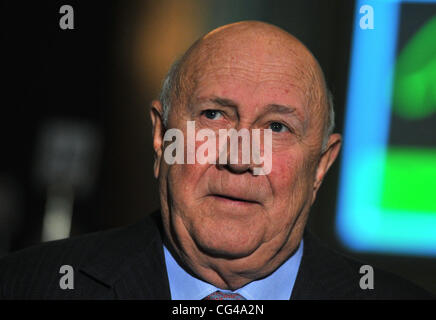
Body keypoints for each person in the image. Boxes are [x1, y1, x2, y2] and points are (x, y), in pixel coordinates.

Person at [0, 21, 432, 300]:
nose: (239, 160)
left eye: (276, 128)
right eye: (214, 116)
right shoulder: (27, 286)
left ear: (321, 165)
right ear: (161, 136)